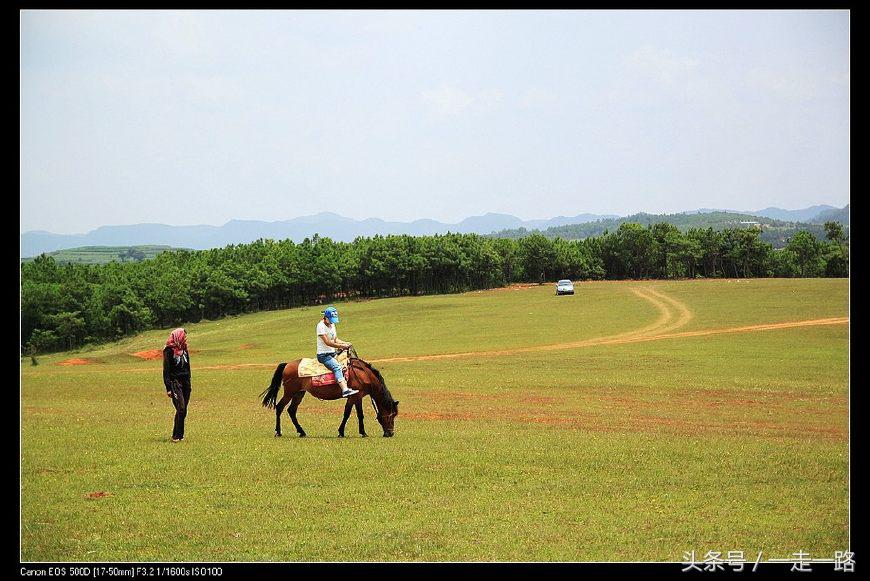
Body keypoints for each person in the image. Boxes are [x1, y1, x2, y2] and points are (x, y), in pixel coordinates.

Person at [316, 306, 358, 398]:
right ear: (325, 317)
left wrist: (346, 343)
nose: (332, 322)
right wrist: (342, 346)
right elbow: (327, 342)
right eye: (331, 319)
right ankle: (345, 390)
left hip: (332, 353)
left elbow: (335, 339)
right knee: (337, 367)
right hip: (323, 356)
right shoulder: (320, 326)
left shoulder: (332, 325)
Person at [163, 328, 191, 442]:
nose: (185, 338)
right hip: (175, 382)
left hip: (186, 382)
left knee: (183, 410)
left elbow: (188, 366)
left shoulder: (184, 348)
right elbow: (166, 370)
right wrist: (168, 388)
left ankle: (178, 435)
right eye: (183, 336)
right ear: (178, 336)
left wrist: (189, 380)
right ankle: (176, 436)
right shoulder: (168, 350)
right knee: (181, 408)